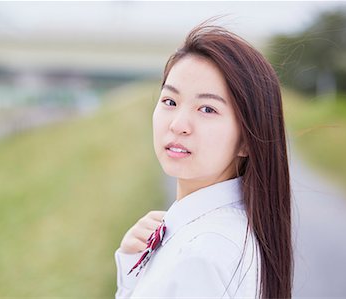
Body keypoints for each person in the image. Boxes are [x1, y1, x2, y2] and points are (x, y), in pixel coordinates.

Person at [114, 21, 293, 299]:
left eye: (207, 109)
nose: (178, 124)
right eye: (170, 102)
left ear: (248, 139)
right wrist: (132, 265)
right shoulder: (225, 232)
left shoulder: (200, 255)